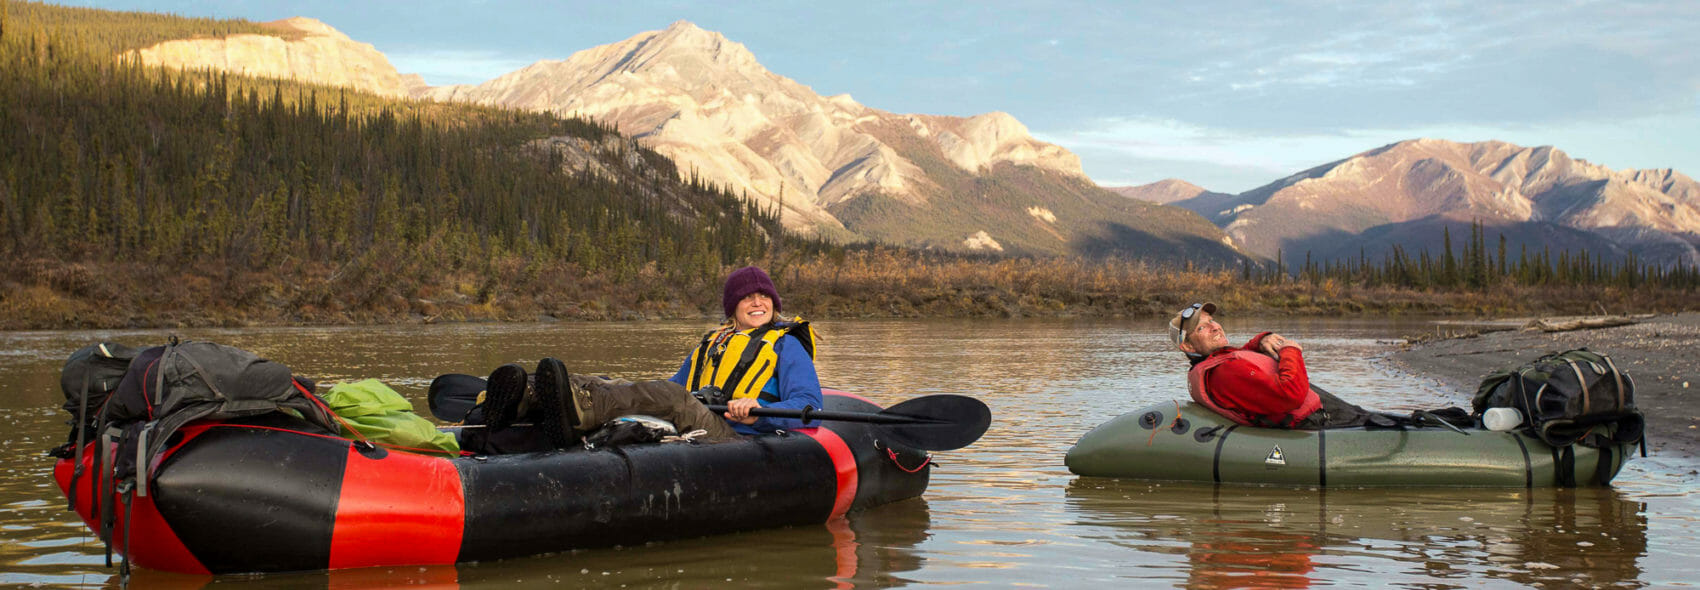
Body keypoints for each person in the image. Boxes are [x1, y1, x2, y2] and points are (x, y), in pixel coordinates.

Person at [480, 266, 822, 449]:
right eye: (748, 298)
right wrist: (611, 387)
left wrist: (759, 415)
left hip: (738, 437)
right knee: (609, 383)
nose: (758, 303)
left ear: (774, 304)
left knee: (670, 397)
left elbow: (810, 406)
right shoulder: (714, 342)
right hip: (700, 418)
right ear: (733, 306)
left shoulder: (785, 345)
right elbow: (668, 387)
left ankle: (580, 412)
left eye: (764, 297)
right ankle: (529, 397)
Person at [1170, 302, 1378, 429]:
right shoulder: (1223, 372)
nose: (1215, 327)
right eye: (1202, 328)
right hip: (1315, 424)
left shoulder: (1217, 363)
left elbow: (1244, 361)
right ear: (1187, 345)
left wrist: (1261, 340)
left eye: (1212, 321)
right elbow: (1290, 394)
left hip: (1320, 415)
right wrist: (1291, 351)